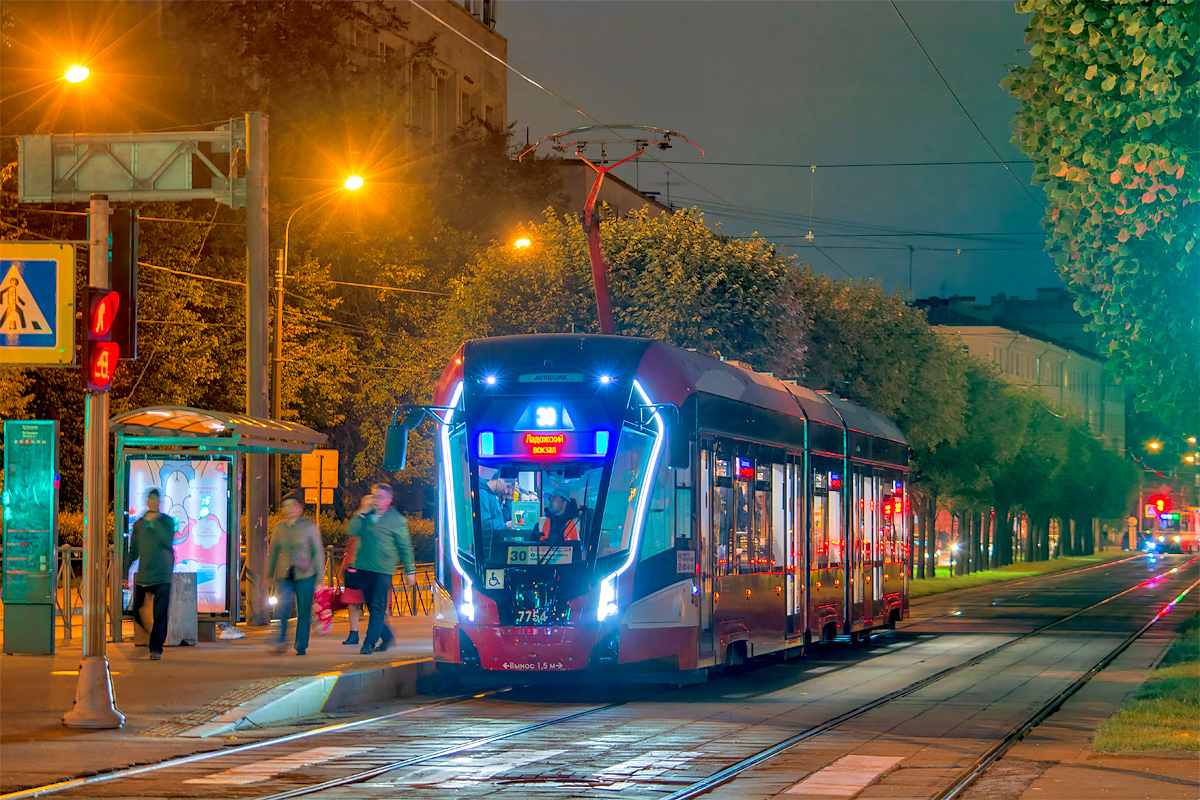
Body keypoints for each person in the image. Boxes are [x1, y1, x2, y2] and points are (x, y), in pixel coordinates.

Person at [347, 483, 415, 655]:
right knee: (372, 607)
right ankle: (388, 636)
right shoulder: (366, 516)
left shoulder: (397, 520)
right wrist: (361, 512)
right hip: (363, 568)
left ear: (388, 500)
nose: (375, 499)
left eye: (379, 496)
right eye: (373, 495)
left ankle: (368, 643)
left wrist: (410, 571)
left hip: (383, 570)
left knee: (377, 607)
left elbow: (405, 547)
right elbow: (351, 530)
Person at [123, 488, 177, 660]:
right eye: (150, 499)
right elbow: (134, 551)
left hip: (163, 574)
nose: (153, 502)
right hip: (145, 575)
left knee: (160, 614)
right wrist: (124, 572)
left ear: (159, 502)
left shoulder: (167, 522)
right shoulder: (139, 524)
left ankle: (156, 649)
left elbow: (166, 540)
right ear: (147, 501)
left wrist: (155, 523)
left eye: (156, 500)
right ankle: (152, 633)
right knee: (137, 611)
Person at [266, 491, 323, 655]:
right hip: (284, 575)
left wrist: (319, 577)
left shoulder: (309, 526)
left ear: (300, 508)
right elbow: (273, 552)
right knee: (281, 608)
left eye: (292, 505)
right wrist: (269, 574)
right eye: (285, 506)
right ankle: (280, 641)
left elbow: (317, 552)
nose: (288, 509)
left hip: (305, 574)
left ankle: (301, 645)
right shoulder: (279, 528)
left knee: (303, 611)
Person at [479, 468, 514, 558]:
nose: (506, 491)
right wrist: (505, 526)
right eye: (507, 487)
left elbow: (502, 519)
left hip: (494, 547)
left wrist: (509, 499)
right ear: (500, 480)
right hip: (488, 549)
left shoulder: (493, 495)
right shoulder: (483, 494)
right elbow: (484, 524)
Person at [340, 534, 367, 645]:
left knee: (374, 602)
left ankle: (382, 632)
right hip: (353, 565)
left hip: (366, 565)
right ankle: (353, 633)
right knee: (352, 600)